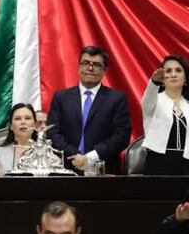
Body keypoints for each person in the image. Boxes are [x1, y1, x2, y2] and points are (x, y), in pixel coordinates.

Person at [48, 46, 131, 175]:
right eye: (86, 63)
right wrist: (75, 156)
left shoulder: (117, 99)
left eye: (97, 65)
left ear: (105, 70)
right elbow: (52, 133)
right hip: (65, 169)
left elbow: (122, 136)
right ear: (79, 67)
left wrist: (90, 158)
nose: (90, 68)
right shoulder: (61, 97)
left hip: (103, 170)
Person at [140, 55, 189, 175]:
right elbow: (147, 100)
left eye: (178, 70)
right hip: (158, 165)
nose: (173, 74)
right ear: (162, 78)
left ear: (185, 78)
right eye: (168, 71)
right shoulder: (155, 100)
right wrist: (154, 83)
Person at [0, 103, 38, 176]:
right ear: (11, 126)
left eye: (28, 118)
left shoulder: (45, 152)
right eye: (17, 118)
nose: (23, 122)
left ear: (35, 124)